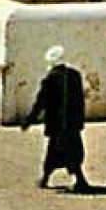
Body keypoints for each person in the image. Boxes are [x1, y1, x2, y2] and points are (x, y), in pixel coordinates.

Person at [22, 45, 91, 192]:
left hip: (57, 125)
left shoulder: (50, 79)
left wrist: (29, 120)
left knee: (53, 152)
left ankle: (46, 178)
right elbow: (80, 100)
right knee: (73, 152)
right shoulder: (75, 75)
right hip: (72, 124)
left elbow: (41, 102)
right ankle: (79, 179)